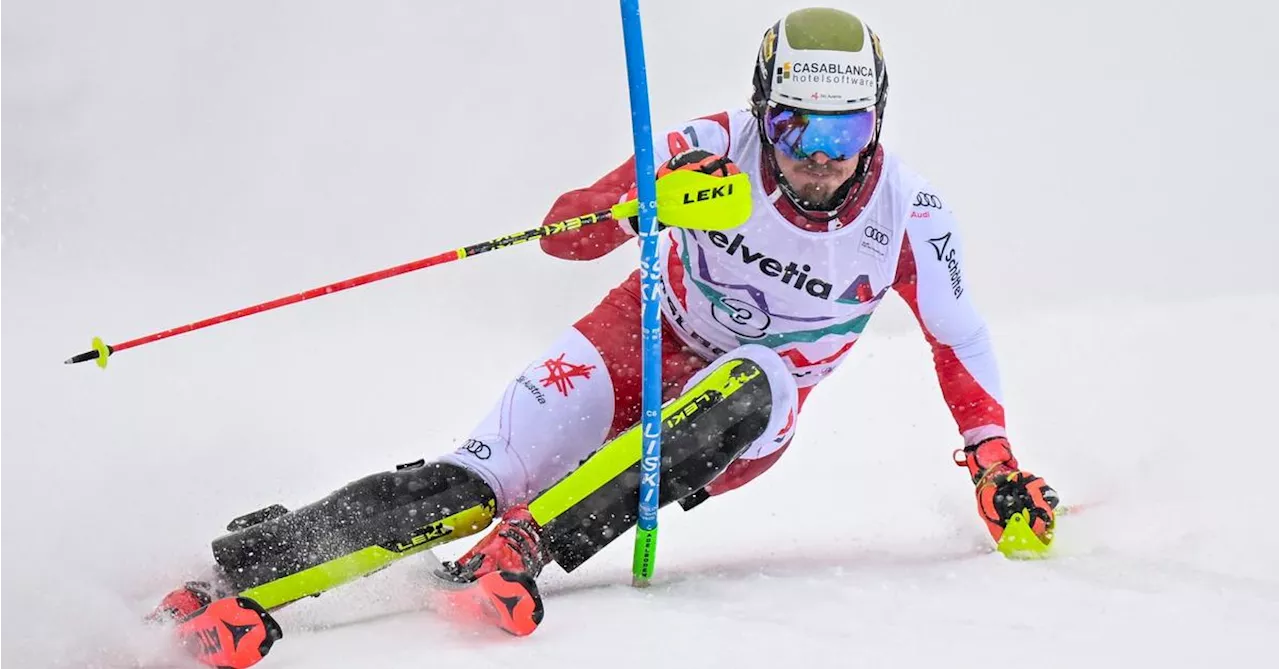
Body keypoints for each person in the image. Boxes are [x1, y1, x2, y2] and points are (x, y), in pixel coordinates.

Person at [151, 8, 1058, 667]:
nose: (820, 155)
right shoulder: (708, 145)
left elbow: (959, 336)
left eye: (847, 128)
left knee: (761, 375)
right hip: (637, 334)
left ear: (878, 122)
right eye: (795, 125)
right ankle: (241, 571)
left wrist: (993, 461)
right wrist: (640, 207)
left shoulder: (911, 214)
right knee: (473, 480)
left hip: (743, 415)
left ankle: (522, 551)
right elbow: (563, 231)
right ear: (762, 109)